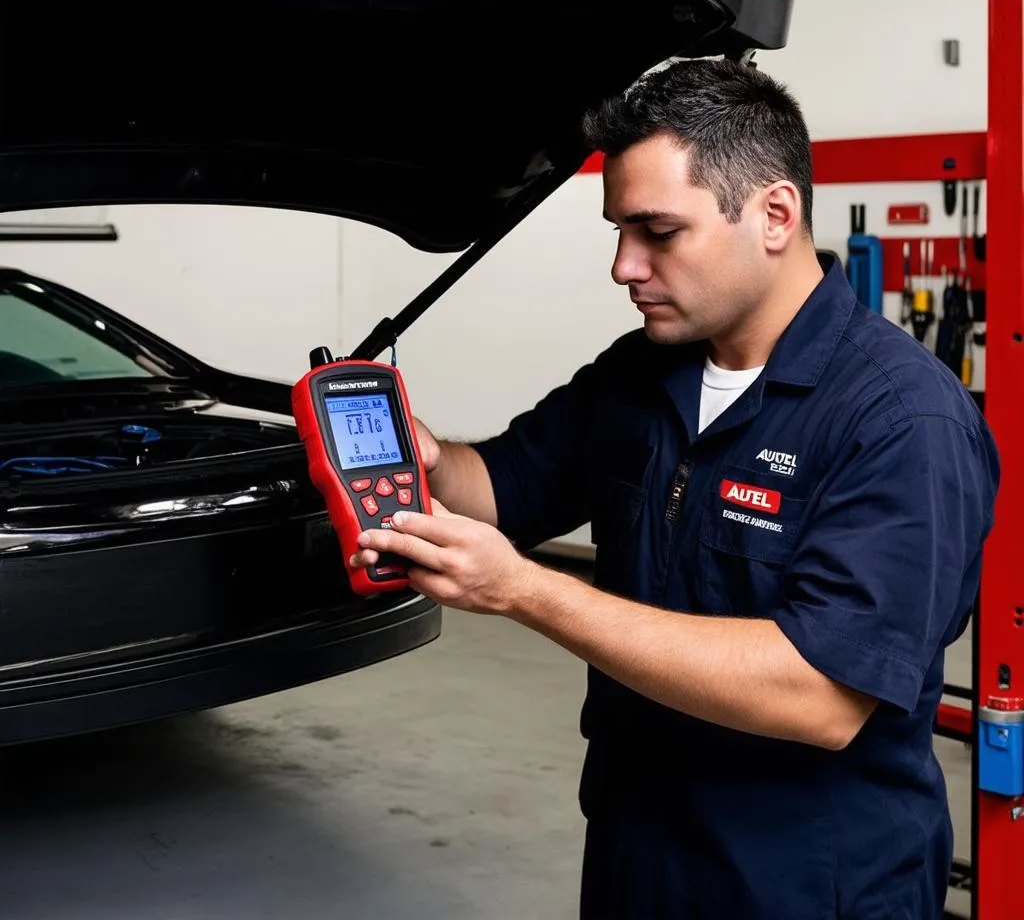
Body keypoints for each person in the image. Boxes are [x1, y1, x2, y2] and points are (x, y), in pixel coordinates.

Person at [351, 57, 1000, 919]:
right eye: (619, 230)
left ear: (775, 214)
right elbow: (502, 487)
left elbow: (819, 694)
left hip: (804, 885)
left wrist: (526, 592)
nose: (625, 265)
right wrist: (419, 457)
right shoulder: (639, 374)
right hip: (637, 852)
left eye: (658, 231)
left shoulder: (902, 420)